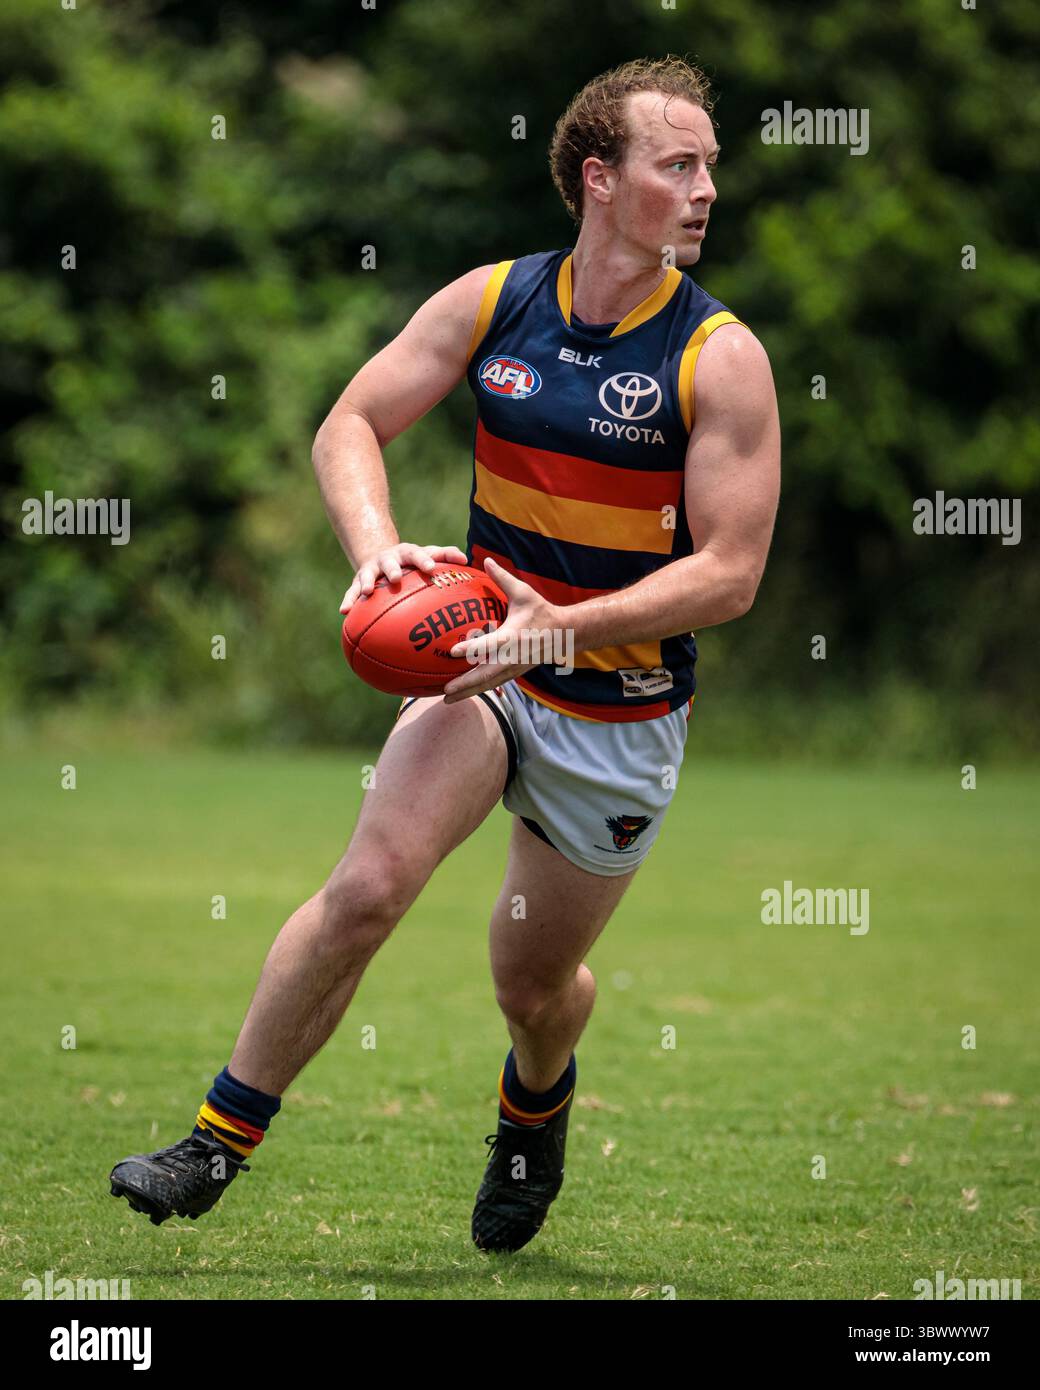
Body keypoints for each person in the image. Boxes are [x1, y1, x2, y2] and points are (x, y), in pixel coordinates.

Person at [109, 56, 780, 1254]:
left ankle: (535, 1102)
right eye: (677, 165)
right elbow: (350, 422)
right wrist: (376, 554)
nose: (703, 191)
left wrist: (562, 623)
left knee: (531, 986)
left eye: (708, 168)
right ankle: (214, 1140)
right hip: (480, 676)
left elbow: (729, 572)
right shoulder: (494, 300)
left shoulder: (717, 356)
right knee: (367, 886)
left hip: (617, 714)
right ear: (598, 178)